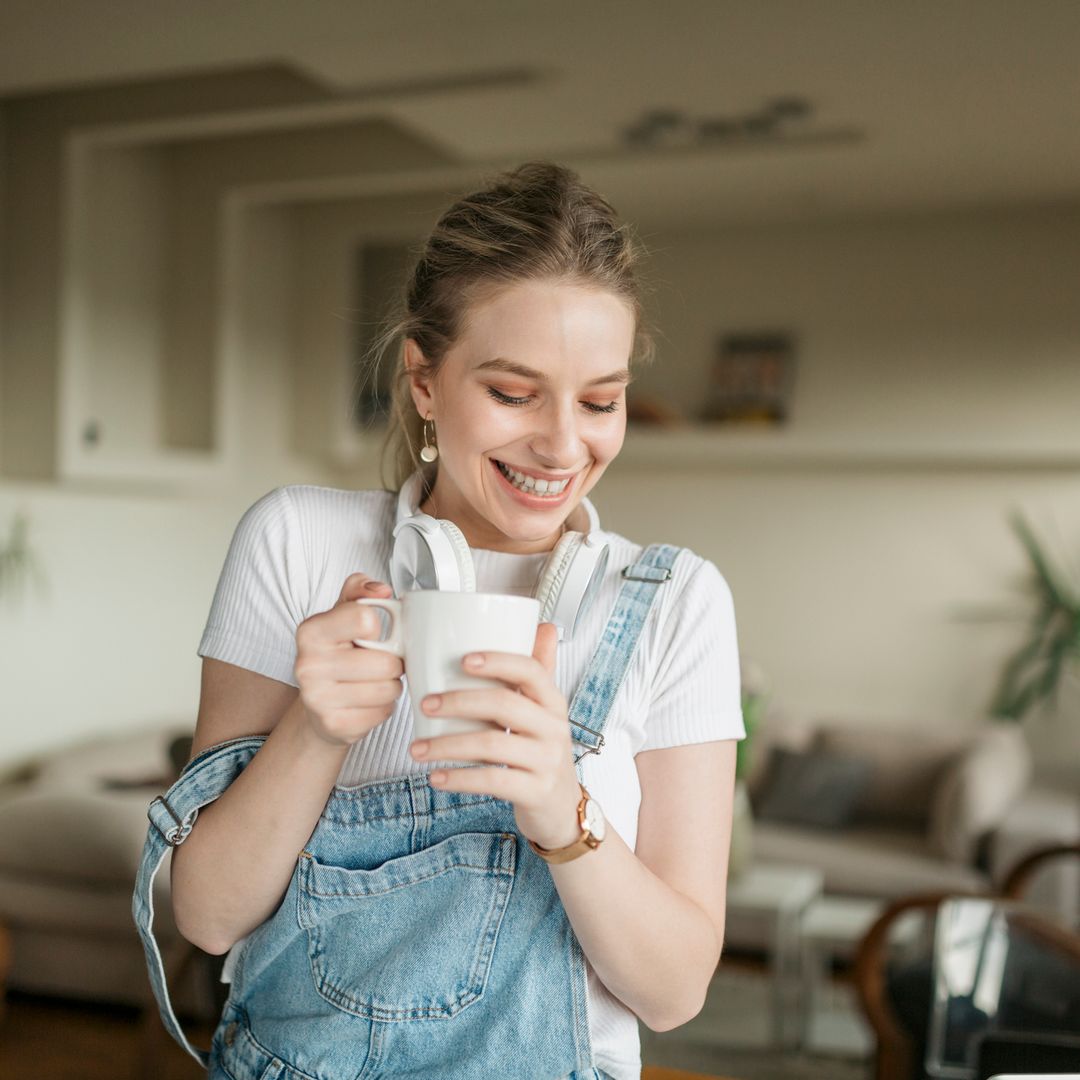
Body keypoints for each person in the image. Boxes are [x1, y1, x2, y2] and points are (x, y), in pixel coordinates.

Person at [134, 161, 745, 1080]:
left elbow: (674, 993)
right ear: (424, 380)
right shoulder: (297, 541)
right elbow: (208, 916)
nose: (563, 445)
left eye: (601, 401)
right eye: (512, 392)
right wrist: (315, 729)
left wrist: (557, 804)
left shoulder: (676, 603)